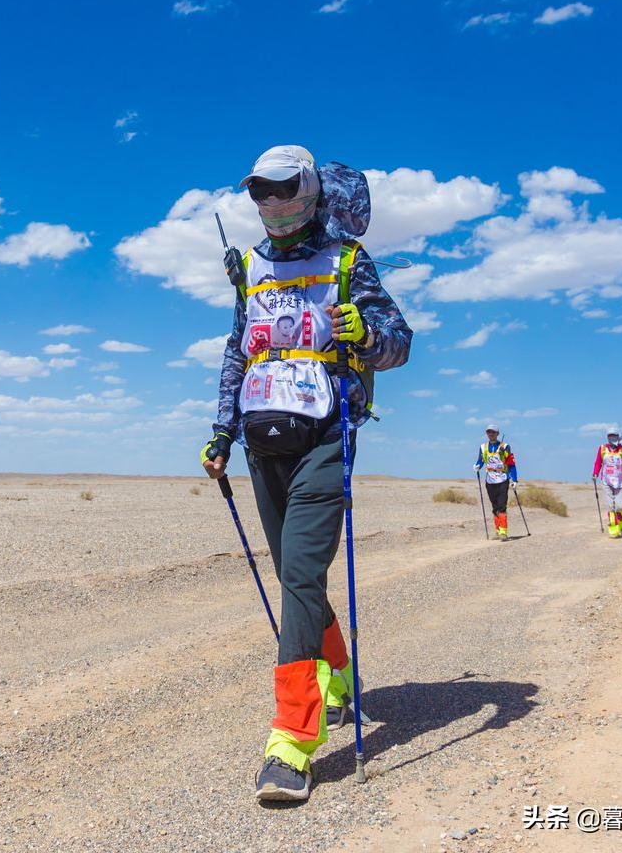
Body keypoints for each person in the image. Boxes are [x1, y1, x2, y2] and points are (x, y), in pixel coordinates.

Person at [200, 145, 412, 803]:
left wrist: (364, 335)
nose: (273, 203)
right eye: (261, 192)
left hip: (325, 434)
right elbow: (239, 348)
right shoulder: (253, 269)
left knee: (298, 572)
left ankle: (292, 740)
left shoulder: (348, 262)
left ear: (314, 191)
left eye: (285, 189)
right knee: (298, 573)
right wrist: (221, 430)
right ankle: (340, 679)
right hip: (264, 438)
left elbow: (398, 340)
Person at [473, 424, 517, 540]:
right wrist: (477, 466)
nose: (491, 434)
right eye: (489, 432)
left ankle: (503, 532)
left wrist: (514, 479)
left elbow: (511, 464)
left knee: (502, 505)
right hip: (490, 480)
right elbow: (481, 460)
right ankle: (497, 531)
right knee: (495, 506)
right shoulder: (483, 447)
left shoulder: (505, 446)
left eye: (493, 432)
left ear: (497, 433)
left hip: (503, 479)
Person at [593, 426, 622, 538]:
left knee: (620, 506)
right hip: (606, 481)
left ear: (618, 436)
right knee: (611, 507)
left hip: (621, 483)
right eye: (610, 435)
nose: (612, 437)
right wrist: (595, 473)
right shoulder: (602, 449)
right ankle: (614, 531)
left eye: (614, 435)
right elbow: (598, 463)